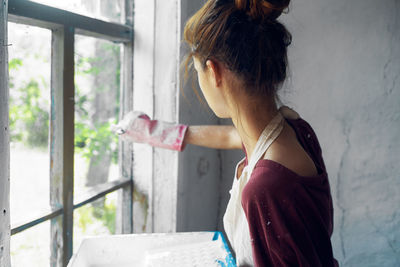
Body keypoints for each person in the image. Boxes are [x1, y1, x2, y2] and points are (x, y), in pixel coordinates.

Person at [115, 0, 338, 266]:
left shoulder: (265, 187)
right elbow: (231, 137)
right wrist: (156, 132)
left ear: (214, 71)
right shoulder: (291, 130)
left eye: (197, 70)